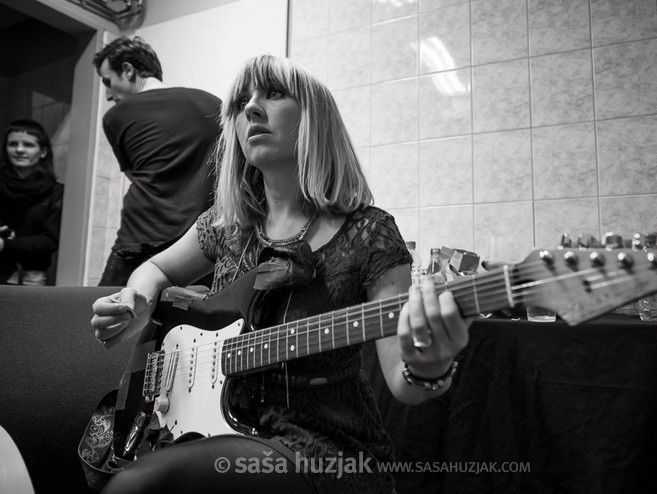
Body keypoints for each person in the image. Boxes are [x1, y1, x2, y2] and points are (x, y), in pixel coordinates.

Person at [90, 55, 471, 493]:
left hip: (322, 448)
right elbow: (156, 267)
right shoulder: (226, 224)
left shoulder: (370, 232)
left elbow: (404, 383)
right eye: (240, 102)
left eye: (273, 94)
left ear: (315, 119)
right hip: (215, 433)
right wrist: (138, 300)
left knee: (144, 486)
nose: (250, 109)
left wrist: (430, 365)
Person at [93, 36, 221, 287]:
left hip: (140, 241)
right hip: (198, 244)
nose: (108, 95)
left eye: (108, 81)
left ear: (128, 70)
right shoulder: (213, 103)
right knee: (197, 323)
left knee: (111, 319)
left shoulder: (116, 117)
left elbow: (135, 174)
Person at [0, 119, 64, 286]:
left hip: (30, 277)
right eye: (13, 144)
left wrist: (5, 244)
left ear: (43, 152)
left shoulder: (56, 192)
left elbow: (50, 240)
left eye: (28, 145)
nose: (19, 150)